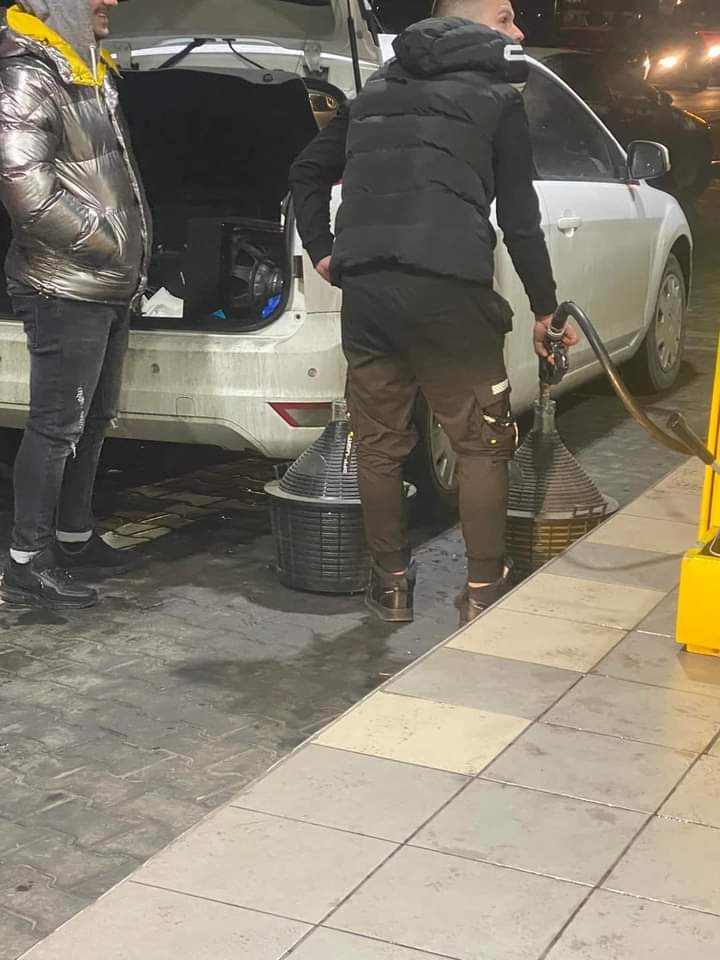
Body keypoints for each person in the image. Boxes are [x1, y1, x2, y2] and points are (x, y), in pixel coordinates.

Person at [289, 0, 577, 625]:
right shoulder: (498, 98)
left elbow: (305, 171)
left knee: (378, 445)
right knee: (481, 443)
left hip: (369, 293)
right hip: (451, 292)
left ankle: (391, 584)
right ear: (471, 22)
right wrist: (545, 308)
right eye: (505, 17)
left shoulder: (371, 95)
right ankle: (483, 588)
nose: (518, 30)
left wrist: (323, 250)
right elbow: (520, 219)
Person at [0, 0, 151, 609]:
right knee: (57, 425)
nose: (110, 0)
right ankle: (27, 561)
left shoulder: (87, 71)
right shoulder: (27, 75)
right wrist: (109, 244)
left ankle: (74, 536)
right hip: (64, 283)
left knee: (94, 419)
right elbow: (25, 188)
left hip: (106, 282)